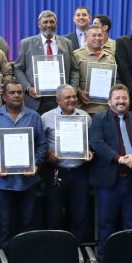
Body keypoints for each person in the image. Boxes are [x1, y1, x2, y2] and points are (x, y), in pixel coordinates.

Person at [0, 81, 48, 252]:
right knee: (5, 223)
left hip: (28, 180)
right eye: (12, 93)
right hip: (3, 182)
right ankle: (6, 261)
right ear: (4, 96)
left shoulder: (34, 116)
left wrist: (35, 163)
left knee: (27, 222)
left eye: (19, 92)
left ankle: (25, 258)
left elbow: (42, 145)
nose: (16, 95)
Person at [88, 83, 132, 259]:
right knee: (106, 223)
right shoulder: (100, 119)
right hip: (109, 181)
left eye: (124, 98)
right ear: (109, 102)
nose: (121, 101)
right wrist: (119, 158)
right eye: (117, 98)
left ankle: (129, 258)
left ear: (129, 100)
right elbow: (97, 142)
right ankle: (104, 258)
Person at [41, 85, 93, 242]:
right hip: (56, 172)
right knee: (55, 214)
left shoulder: (85, 117)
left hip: (79, 172)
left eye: (74, 97)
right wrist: (47, 154)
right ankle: (56, 250)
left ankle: (75, 250)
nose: (72, 100)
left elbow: (90, 142)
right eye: (67, 97)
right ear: (58, 100)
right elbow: (39, 144)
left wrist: (89, 151)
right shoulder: (46, 118)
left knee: (79, 214)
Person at [14, 10, 80, 114]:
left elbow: (74, 69)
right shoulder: (26, 43)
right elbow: (18, 68)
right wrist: (28, 87)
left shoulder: (67, 43)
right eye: (45, 22)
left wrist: (73, 90)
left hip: (61, 100)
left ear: (56, 24)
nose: (49, 25)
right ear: (39, 24)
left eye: (52, 22)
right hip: (35, 100)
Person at [73, 25, 116, 115]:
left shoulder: (111, 56)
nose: (98, 38)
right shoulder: (77, 55)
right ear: (86, 37)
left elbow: (117, 80)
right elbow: (71, 79)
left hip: (106, 109)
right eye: (94, 35)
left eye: (100, 35)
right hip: (84, 108)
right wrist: (78, 92)